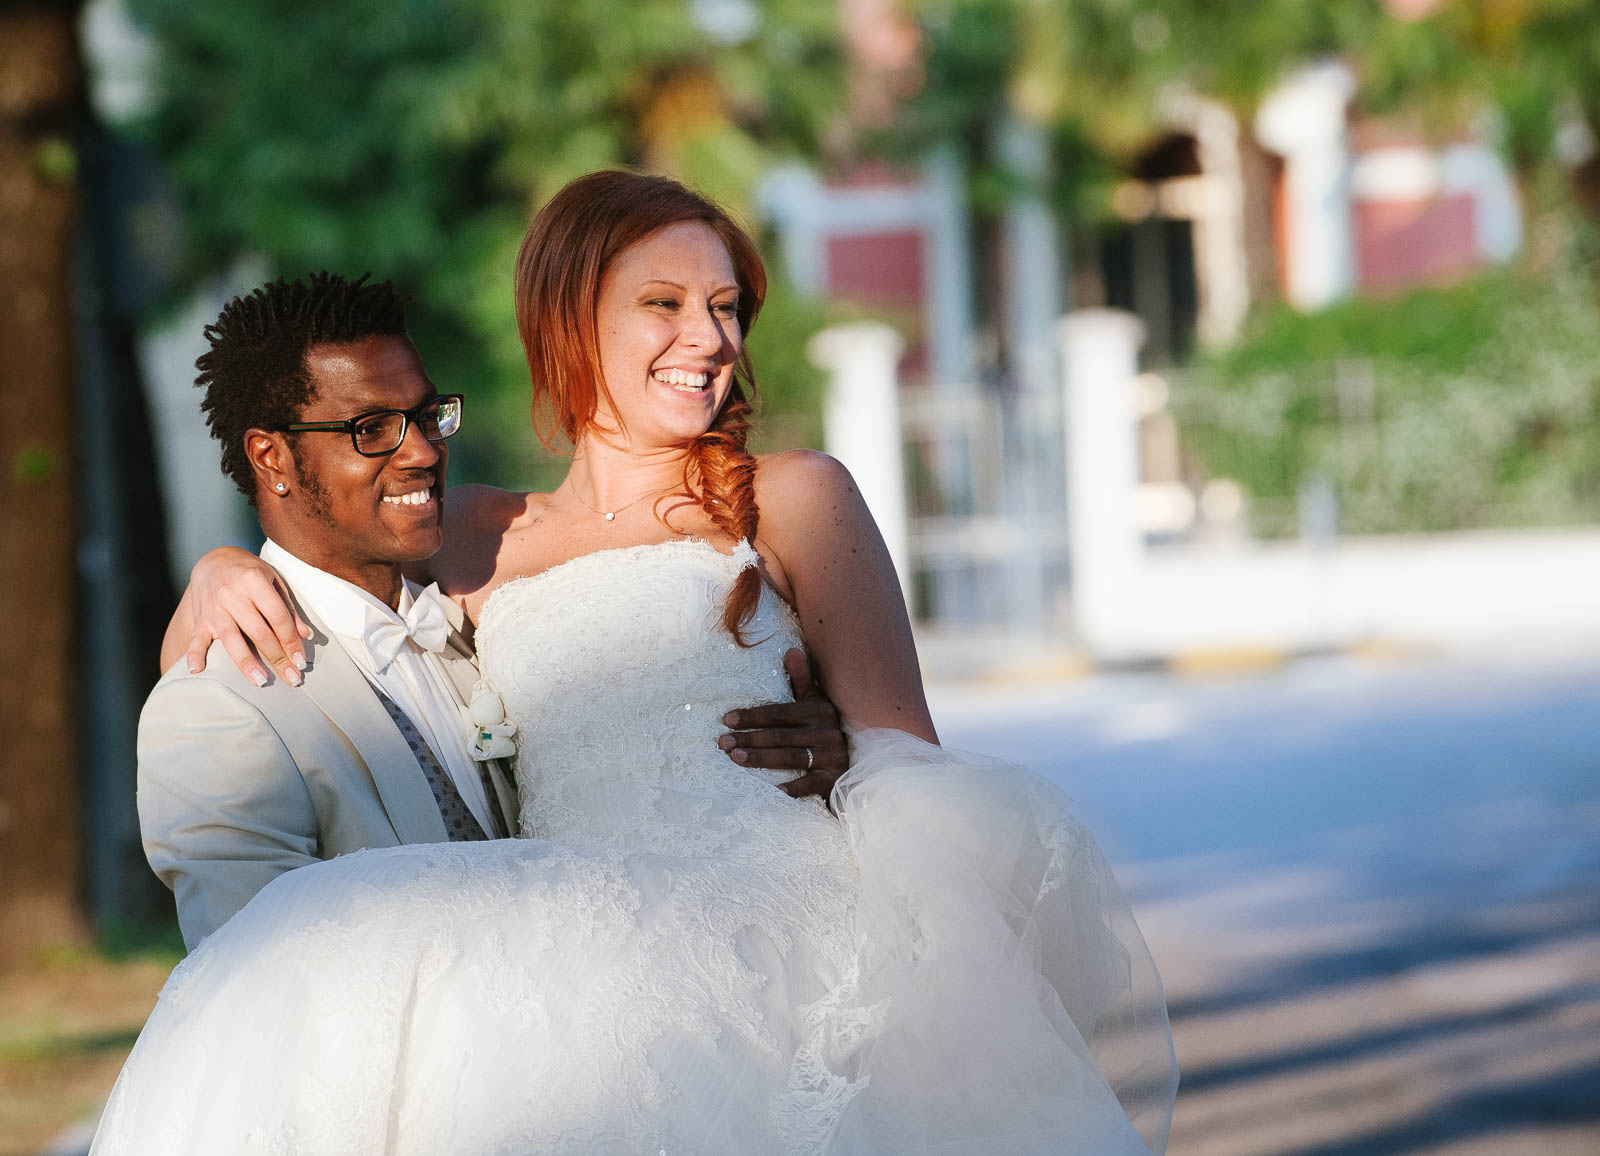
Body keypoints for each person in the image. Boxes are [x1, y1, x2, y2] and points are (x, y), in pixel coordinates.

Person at [94, 172, 1177, 1155]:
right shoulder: (474, 535)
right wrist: (222, 567)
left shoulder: (795, 497)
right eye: (663, 303)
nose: (707, 336)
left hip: (798, 965)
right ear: (571, 316)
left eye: (724, 305)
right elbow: (319, 607)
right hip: (585, 1001)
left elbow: (912, 768)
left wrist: (844, 759)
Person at [136, 272, 848, 950]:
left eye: (426, 415)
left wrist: (823, 750)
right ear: (271, 459)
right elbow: (251, 989)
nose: (422, 451)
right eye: (373, 428)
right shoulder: (220, 709)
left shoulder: (470, 623)